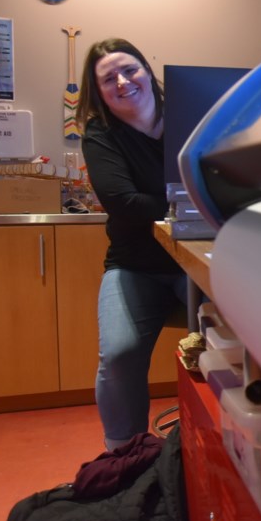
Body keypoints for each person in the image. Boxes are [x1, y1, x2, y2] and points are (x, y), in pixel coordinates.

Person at [77, 38, 186, 451]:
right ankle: (125, 454)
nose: (122, 82)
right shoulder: (101, 134)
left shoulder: (190, 116)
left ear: (147, 70)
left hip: (194, 261)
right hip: (134, 266)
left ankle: (219, 436)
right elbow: (122, 202)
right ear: (99, 92)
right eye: (108, 79)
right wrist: (188, 205)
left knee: (238, 339)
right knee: (119, 354)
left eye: (130, 70)